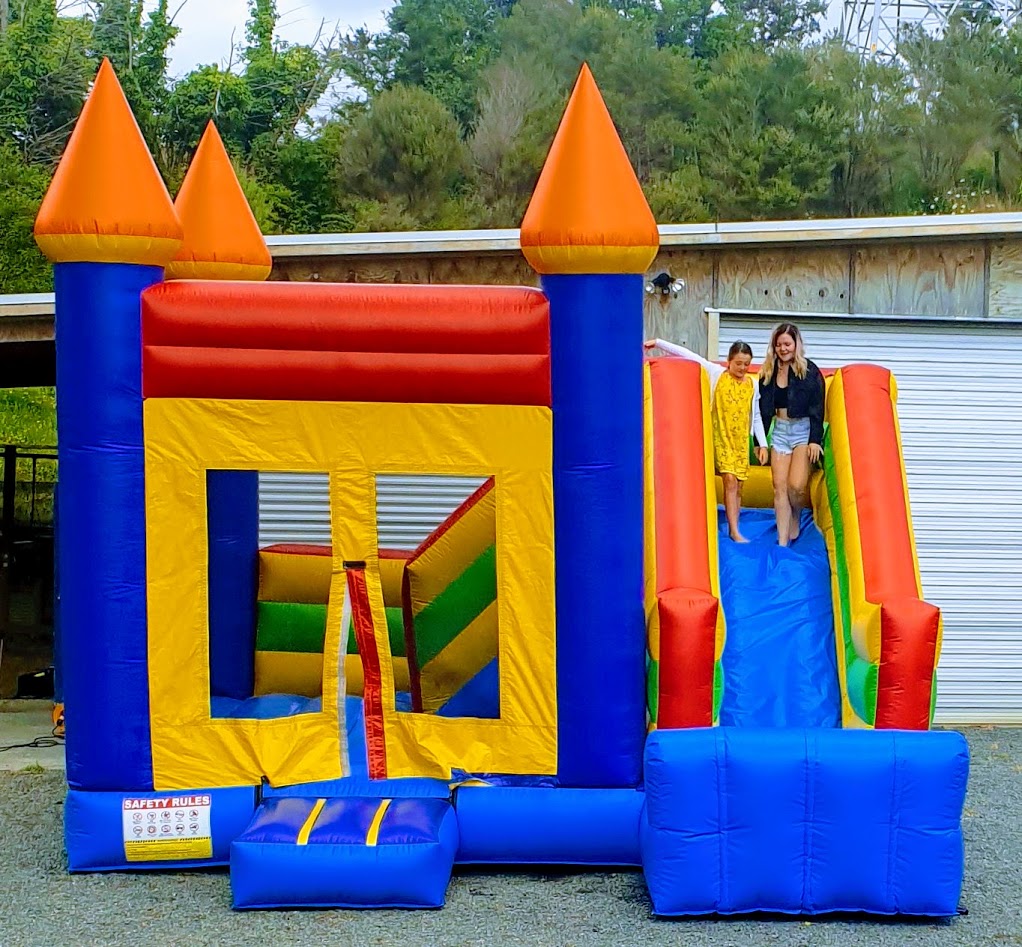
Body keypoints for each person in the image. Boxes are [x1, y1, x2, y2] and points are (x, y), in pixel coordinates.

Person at [645, 338, 768, 543]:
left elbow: (754, 416)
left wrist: (762, 444)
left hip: (740, 441)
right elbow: (688, 355)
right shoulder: (716, 374)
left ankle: (734, 525)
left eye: (746, 364)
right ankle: (734, 530)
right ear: (729, 361)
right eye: (738, 363)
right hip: (721, 438)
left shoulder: (752, 385)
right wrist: (658, 343)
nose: (743, 368)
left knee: (738, 485)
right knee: (729, 480)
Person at [757, 322, 825, 547]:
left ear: (796, 344)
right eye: (778, 345)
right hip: (780, 431)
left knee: (796, 486)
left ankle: (796, 514)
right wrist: (760, 442)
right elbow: (762, 411)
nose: (783, 349)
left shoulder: (809, 371)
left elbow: (817, 408)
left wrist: (815, 440)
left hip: (802, 430)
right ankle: (782, 541)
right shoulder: (768, 372)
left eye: (787, 344)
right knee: (779, 486)